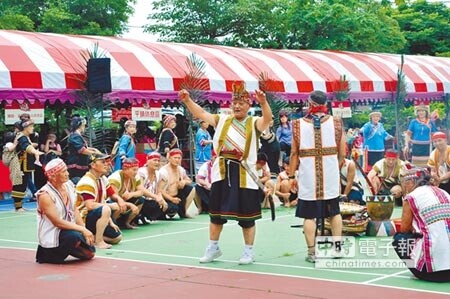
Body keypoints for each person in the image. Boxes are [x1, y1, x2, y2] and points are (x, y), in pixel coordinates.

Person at [179, 82, 272, 265]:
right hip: (222, 173)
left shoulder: (254, 123)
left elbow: (267, 118)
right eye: (234, 103)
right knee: (216, 214)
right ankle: (213, 247)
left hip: (246, 174)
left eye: (242, 103)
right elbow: (200, 114)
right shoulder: (222, 119)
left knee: (247, 217)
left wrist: (263, 102)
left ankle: (248, 251)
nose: (237, 106)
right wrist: (188, 100)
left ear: (248, 105)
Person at [288, 90, 346, 263]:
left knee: (309, 215)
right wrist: (335, 166)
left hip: (308, 176)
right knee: (334, 212)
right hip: (330, 173)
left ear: (310, 103)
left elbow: (293, 153)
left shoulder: (298, 125)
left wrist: (291, 176)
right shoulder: (336, 123)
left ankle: (312, 252)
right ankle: (337, 248)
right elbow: (342, 152)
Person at [393, 167, 450, 282]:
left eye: (405, 183)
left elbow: (404, 228)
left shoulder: (411, 197)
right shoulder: (444, 193)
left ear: (412, 182)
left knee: (400, 239)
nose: (404, 186)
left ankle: (419, 268)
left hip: (433, 274)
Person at [36, 159, 95, 264]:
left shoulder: (69, 185)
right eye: (63, 172)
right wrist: (81, 230)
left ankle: (72, 245)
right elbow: (57, 222)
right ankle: (48, 255)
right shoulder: (45, 194)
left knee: (90, 252)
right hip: (54, 234)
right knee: (73, 237)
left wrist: (84, 229)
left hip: (70, 229)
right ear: (53, 176)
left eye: (66, 170)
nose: (67, 174)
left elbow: (74, 208)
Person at [76, 153, 126, 249]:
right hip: (83, 218)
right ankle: (98, 241)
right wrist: (111, 206)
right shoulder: (87, 181)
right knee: (107, 208)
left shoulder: (102, 179)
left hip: (96, 214)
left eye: (106, 162)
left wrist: (119, 199)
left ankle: (92, 237)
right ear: (93, 165)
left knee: (117, 238)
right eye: (103, 162)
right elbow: (90, 206)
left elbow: (111, 194)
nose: (107, 164)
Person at [11, 119, 44, 212]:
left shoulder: (26, 136)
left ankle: (19, 206)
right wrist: (35, 151)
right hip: (20, 165)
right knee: (19, 185)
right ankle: (18, 207)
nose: (33, 128)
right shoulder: (21, 137)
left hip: (24, 165)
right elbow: (26, 146)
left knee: (23, 184)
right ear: (25, 128)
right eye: (31, 126)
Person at [157, 149, 196, 219]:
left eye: (179, 158)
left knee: (192, 188)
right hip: (166, 197)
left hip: (177, 195)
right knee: (173, 209)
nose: (177, 160)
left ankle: (184, 211)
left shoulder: (181, 169)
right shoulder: (164, 171)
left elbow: (189, 180)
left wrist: (184, 182)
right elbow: (159, 190)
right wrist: (171, 199)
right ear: (169, 158)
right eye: (175, 158)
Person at [108, 158, 144, 229]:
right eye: (134, 170)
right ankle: (111, 225)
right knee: (117, 205)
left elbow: (141, 191)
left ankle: (127, 223)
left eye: (137, 169)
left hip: (124, 201)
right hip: (112, 201)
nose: (136, 172)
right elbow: (113, 197)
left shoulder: (135, 176)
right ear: (125, 169)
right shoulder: (115, 178)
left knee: (140, 200)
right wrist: (130, 205)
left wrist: (131, 194)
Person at [67, 116, 101, 182]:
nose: (84, 127)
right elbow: (82, 150)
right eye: (84, 125)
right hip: (76, 165)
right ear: (80, 126)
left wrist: (93, 150)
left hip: (81, 164)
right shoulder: (75, 136)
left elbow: (85, 148)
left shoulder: (77, 135)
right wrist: (97, 153)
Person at [137, 152, 168, 221]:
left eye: (158, 161)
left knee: (167, 207)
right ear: (147, 161)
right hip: (140, 198)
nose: (157, 162)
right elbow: (141, 189)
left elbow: (158, 191)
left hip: (151, 199)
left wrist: (162, 199)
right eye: (154, 160)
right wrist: (156, 197)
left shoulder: (159, 174)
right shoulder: (141, 172)